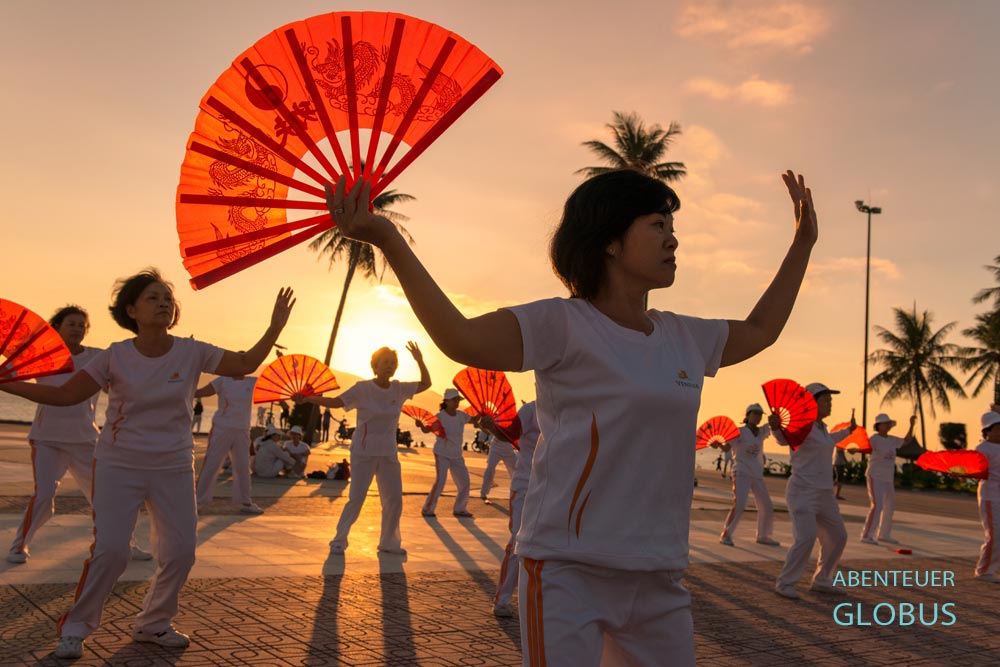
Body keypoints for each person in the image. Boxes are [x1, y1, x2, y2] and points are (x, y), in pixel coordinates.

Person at [325, 167, 817, 665]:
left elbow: (761, 328)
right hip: (568, 569)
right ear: (608, 242)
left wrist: (803, 244)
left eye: (672, 226)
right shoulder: (562, 324)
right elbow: (459, 337)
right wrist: (386, 238)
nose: (673, 239)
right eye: (657, 225)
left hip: (658, 573)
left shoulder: (686, 337)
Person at [0, 270, 294, 660]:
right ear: (131, 310)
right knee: (111, 552)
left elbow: (243, 362)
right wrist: (4, 383)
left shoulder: (192, 351)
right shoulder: (115, 356)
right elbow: (66, 395)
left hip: (172, 465)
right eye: (153, 298)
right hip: (118, 464)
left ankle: (154, 622)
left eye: (167, 299)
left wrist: (273, 328)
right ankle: (75, 626)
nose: (163, 304)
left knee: (181, 552)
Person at [7, 306, 151, 565]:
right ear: (57, 327)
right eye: (71, 323)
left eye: (81, 325)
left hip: (85, 439)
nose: (77, 329)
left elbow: (119, 384)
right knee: (43, 495)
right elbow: (14, 376)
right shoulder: (42, 355)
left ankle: (128, 544)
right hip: (47, 438)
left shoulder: (96, 357)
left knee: (104, 496)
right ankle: (19, 546)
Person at [296, 342, 430, 555]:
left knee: (394, 499)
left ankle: (389, 543)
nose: (389, 366)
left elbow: (425, 383)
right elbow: (335, 402)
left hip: (388, 454)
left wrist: (420, 360)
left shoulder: (399, 388)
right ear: (375, 366)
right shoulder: (362, 389)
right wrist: (309, 398)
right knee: (357, 498)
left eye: (392, 362)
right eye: (385, 362)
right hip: (363, 452)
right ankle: (339, 539)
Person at [771, 383, 854, 600]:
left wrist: (849, 431)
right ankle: (785, 583)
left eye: (830, 400)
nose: (830, 403)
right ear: (812, 402)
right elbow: (783, 438)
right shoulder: (803, 426)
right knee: (806, 538)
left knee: (838, 536)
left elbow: (835, 439)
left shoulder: (823, 429)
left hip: (825, 494)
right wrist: (775, 427)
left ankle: (822, 579)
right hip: (802, 492)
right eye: (826, 400)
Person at [493, 400, 539, 617]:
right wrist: (491, 426)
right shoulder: (530, 410)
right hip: (525, 485)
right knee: (517, 541)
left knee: (548, 545)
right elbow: (508, 433)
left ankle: (539, 600)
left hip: (555, 488)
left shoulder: (571, 407)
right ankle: (502, 600)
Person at [194, 373, 263, 514]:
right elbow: (202, 392)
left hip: (242, 430)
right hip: (222, 428)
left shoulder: (252, 382)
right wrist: (180, 390)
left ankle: (245, 502)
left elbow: (271, 387)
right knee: (211, 464)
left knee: (243, 467)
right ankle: (197, 501)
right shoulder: (223, 380)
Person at [718, 403, 779, 547]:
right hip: (741, 472)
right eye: (755, 414)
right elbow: (726, 447)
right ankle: (726, 534)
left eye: (759, 414)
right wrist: (717, 444)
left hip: (756, 473)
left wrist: (774, 419)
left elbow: (772, 425)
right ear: (748, 415)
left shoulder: (762, 431)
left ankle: (763, 536)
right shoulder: (739, 431)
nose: (757, 417)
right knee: (739, 504)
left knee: (767, 505)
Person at [860, 412, 916, 545]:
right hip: (875, 476)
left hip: (888, 478)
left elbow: (906, 441)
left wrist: (911, 425)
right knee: (877, 506)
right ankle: (866, 535)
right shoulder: (874, 439)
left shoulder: (892, 440)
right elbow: (863, 448)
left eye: (888, 423)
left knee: (889, 506)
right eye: (884, 423)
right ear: (878, 426)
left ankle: (884, 534)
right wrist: (854, 449)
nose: (887, 426)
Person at [421, 389, 476, 518]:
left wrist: (482, 411)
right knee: (440, 481)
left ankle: (460, 508)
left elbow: (474, 420)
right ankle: (427, 509)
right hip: (442, 453)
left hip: (456, 455)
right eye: (454, 400)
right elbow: (426, 429)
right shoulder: (439, 417)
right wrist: (420, 425)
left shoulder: (461, 415)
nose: (457, 402)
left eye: (458, 400)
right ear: (447, 401)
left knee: (465, 482)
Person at [974, 407, 1000, 583]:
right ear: (987, 431)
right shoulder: (983, 448)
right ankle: (983, 570)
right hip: (990, 495)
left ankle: (994, 567)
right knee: (995, 534)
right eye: (997, 428)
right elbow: (974, 469)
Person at [480, 429, 518, 502]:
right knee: (489, 469)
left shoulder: (513, 419)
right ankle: (483, 493)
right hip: (495, 447)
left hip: (508, 449)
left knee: (515, 472)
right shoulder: (498, 418)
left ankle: (517, 493)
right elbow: (484, 426)